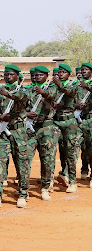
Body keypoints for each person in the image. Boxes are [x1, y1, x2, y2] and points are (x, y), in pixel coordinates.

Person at [0, 64, 30, 209]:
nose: (8, 77)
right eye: (6, 74)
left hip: (18, 132)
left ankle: (23, 194)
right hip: (3, 130)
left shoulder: (22, 90)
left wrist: (7, 94)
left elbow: (22, 98)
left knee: (21, 163)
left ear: (17, 76)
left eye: (11, 75)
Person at [25, 66, 58, 201]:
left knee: (47, 159)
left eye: (39, 75)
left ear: (46, 76)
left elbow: (52, 96)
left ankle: (45, 187)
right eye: (34, 75)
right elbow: (21, 104)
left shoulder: (52, 87)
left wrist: (43, 92)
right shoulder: (27, 89)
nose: (36, 77)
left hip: (46, 128)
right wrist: (26, 112)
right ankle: (24, 189)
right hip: (30, 128)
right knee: (25, 159)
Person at [53, 64, 79, 192]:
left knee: (70, 151)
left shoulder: (73, 85)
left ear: (68, 74)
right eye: (59, 72)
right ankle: (64, 174)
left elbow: (71, 92)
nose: (61, 74)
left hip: (69, 122)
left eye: (63, 72)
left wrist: (59, 84)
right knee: (58, 150)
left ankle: (73, 181)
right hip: (56, 121)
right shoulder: (53, 86)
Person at [76, 63, 92, 187]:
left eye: (86, 70)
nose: (83, 72)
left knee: (90, 148)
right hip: (79, 119)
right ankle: (67, 174)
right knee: (74, 145)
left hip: (91, 119)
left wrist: (88, 87)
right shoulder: (77, 85)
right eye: (82, 70)